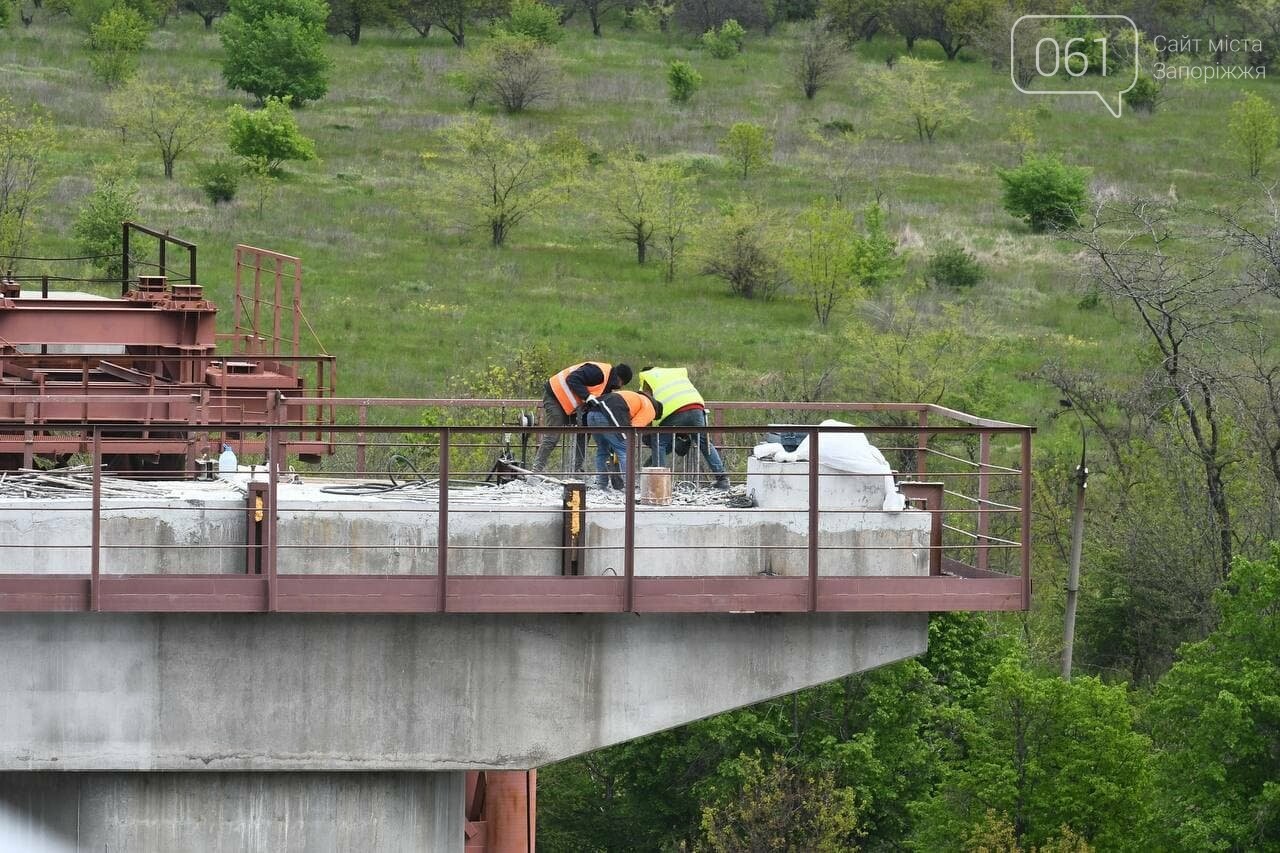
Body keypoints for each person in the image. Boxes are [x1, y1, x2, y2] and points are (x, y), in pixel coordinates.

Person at [637, 366, 730, 490]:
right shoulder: (672, 374)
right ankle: (722, 479)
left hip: (674, 411)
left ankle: (660, 484)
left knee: (659, 443)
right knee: (705, 443)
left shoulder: (647, 378)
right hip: (696, 408)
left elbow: (648, 403)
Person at [531, 361, 632, 472]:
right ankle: (536, 470)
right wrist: (587, 396)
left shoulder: (607, 385)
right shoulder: (598, 372)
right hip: (555, 395)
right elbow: (572, 378)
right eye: (621, 385)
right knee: (553, 435)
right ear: (620, 380)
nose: (618, 388)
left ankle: (576, 469)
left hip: (568, 403)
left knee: (584, 431)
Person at [586, 389, 662, 490]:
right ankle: (629, 487)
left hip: (592, 414)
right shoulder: (650, 408)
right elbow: (633, 429)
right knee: (626, 451)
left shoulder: (635, 397)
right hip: (608, 415)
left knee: (602, 450)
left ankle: (601, 484)